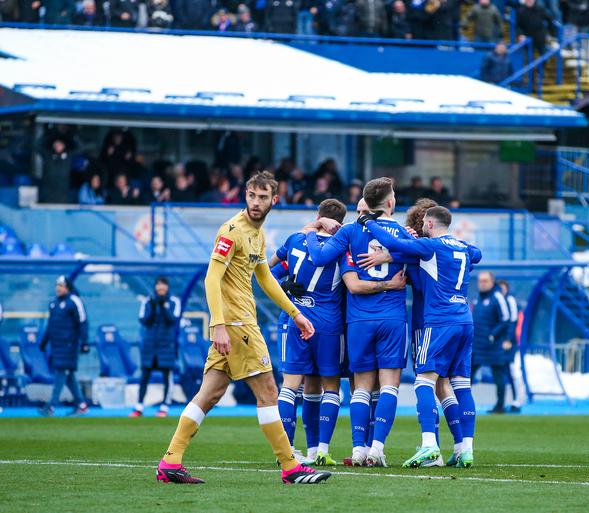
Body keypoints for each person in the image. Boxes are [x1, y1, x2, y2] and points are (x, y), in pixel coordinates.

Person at [155, 171, 332, 485]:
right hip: (236, 325)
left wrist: (296, 314)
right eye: (252, 195)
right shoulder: (232, 230)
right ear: (245, 195)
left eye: (263, 197)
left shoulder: (257, 234)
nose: (255, 202)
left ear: (273, 200)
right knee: (268, 392)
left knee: (208, 394)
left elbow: (265, 278)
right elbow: (212, 277)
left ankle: (170, 461)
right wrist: (218, 325)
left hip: (236, 324)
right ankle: (290, 467)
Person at [361, 206, 482, 468]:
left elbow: (393, 243)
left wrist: (368, 223)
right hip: (464, 319)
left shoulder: (430, 247)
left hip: (439, 322)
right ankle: (465, 449)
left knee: (423, 382)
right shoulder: (463, 247)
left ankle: (429, 445)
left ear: (428, 222)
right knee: (460, 384)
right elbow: (478, 255)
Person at [302, 177, 411, 467]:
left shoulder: (350, 230)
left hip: (359, 319)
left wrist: (313, 230)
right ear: (389, 202)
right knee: (389, 386)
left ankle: (359, 449)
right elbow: (423, 257)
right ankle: (376, 449)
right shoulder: (401, 232)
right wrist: (393, 254)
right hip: (392, 317)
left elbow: (319, 256)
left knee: (361, 387)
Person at [130, 277, 182, 418]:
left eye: (163, 285)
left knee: (167, 376)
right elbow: (144, 321)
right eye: (158, 285)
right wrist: (153, 308)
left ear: (167, 287)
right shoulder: (147, 302)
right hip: (150, 345)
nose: (161, 288)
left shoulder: (174, 301)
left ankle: (164, 406)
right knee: (145, 376)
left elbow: (172, 320)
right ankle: (139, 406)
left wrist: (164, 306)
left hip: (166, 345)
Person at [39, 276, 89, 416]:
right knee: (68, 375)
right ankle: (81, 404)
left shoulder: (74, 301)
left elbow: (83, 322)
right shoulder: (53, 303)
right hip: (56, 345)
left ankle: (51, 405)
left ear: (68, 287)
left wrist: (84, 342)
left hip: (69, 345)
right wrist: (44, 342)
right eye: (57, 285)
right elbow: (50, 325)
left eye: (61, 285)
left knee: (61, 372)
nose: (58, 288)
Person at [472, 271, 513, 414]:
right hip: (477, 345)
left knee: (498, 375)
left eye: (485, 281)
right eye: (480, 281)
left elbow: (506, 319)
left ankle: (500, 406)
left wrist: (492, 336)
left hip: (493, 346)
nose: (482, 283)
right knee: (466, 376)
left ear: (492, 281)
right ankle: (461, 405)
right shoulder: (477, 298)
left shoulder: (497, 297)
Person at [498, 280, 525, 413]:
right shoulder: (497, 301)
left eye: (503, 288)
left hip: (510, 343)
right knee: (504, 371)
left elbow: (514, 321)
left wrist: (510, 339)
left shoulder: (510, 300)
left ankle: (517, 401)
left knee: (513, 370)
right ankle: (502, 403)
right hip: (500, 342)